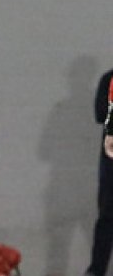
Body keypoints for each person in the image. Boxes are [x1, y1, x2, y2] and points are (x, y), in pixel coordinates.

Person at [86, 70, 113, 276]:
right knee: (106, 218)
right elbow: (100, 113)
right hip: (110, 165)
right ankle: (96, 270)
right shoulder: (109, 79)